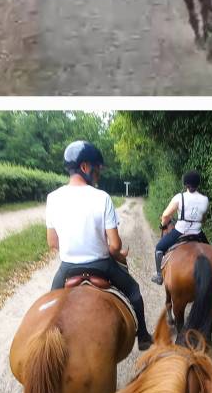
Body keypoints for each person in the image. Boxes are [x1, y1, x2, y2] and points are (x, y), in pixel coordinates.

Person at [46, 141, 152, 351]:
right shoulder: (102, 198)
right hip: (102, 266)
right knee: (134, 291)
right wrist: (119, 255)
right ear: (85, 167)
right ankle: (143, 336)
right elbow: (114, 246)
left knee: (49, 310)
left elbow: (52, 243)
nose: (99, 174)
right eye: (97, 169)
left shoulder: (53, 198)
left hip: (67, 269)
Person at [151, 170, 209, 285]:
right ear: (198, 184)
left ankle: (159, 276)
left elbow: (166, 215)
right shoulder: (205, 199)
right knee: (210, 252)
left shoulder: (179, 197)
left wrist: (163, 225)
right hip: (198, 233)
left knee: (159, 248)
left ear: (186, 184)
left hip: (180, 232)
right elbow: (203, 219)